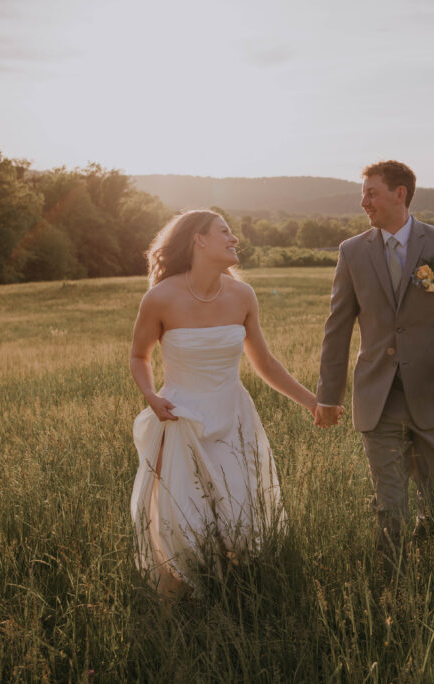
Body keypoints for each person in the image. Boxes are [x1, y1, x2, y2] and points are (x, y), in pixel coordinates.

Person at [129, 209, 320, 597]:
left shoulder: (242, 295)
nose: (235, 239)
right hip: (181, 419)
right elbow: (139, 357)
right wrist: (151, 396)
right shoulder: (160, 298)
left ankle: (238, 598)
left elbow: (264, 363)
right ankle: (179, 611)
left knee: (241, 516)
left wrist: (313, 402)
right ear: (199, 239)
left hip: (233, 418)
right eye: (225, 232)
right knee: (186, 520)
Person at [314, 160, 434, 570]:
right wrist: (328, 396)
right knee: (388, 507)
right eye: (363, 194)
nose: (363, 202)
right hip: (379, 397)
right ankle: (389, 588)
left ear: (400, 194)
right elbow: (336, 330)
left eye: (371, 193)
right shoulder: (352, 252)